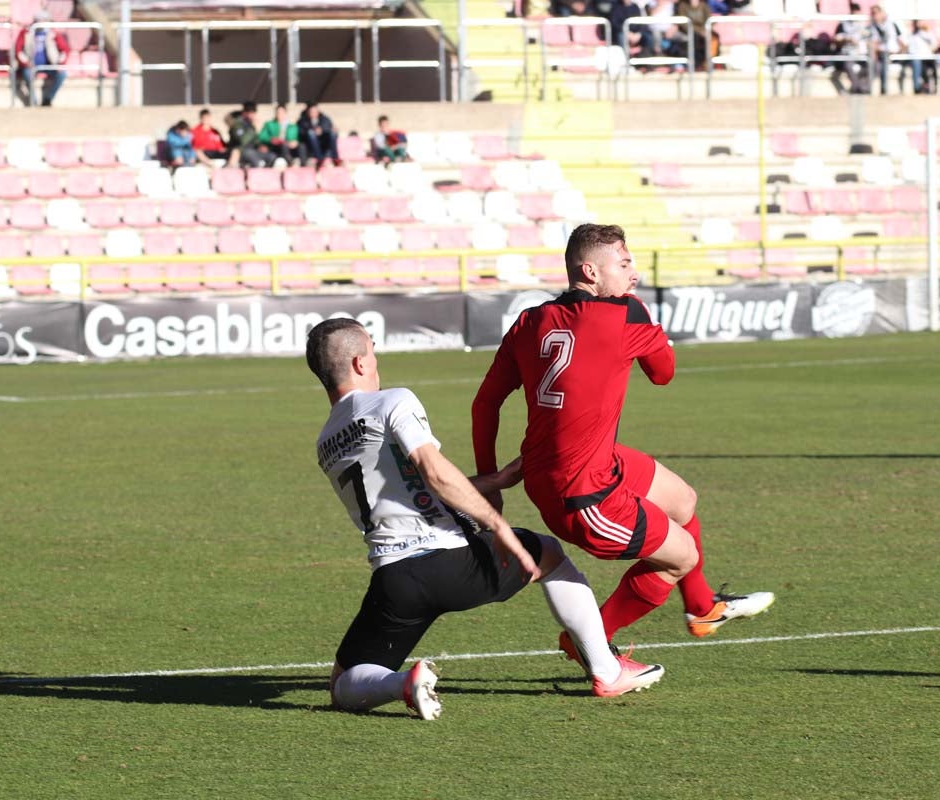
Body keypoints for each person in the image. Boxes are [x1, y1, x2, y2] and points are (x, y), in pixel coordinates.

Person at [306, 318, 665, 719]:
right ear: (359, 363)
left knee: (343, 682)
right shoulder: (393, 400)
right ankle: (607, 670)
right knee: (547, 552)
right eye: (373, 349)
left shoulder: (326, 441)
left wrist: (493, 480)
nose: (377, 358)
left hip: (396, 580)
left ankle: (403, 683)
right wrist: (496, 524)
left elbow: (409, 492)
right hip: (451, 564)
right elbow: (434, 472)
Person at [471, 224, 774, 655]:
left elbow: (484, 404)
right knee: (681, 556)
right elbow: (663, 373)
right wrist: (646, 323)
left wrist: (491, 483)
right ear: (591, 271)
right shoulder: (624, 313)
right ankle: (589, 644)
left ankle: (703, 607)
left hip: (572, 465)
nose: (634, 275)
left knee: (683, 499)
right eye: (625, 264)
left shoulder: (530, 320)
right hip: (581, 494)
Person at [13, 10, 70, 107]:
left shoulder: (53, 33)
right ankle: (33, 101)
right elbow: (18, 50)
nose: (40, 22)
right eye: (38, 20)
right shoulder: (26, 33)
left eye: (43, 20)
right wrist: (26, 63)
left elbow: (65, 50)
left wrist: (60, 64)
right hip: (30, 65)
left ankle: (47, 99)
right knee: (27, 74)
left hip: (50, 65)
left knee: (62, 74)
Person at [830, 2, 868, 95]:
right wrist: (848, 39)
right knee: (848, 65)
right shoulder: (843, 25)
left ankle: (863, 88)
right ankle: (856, 89)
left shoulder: (864, 25)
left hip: (861, 54)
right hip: (846, 53)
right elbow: (836, 40)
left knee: (872, 66)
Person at [226, 101, 276, 168]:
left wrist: (260, 146)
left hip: (253, 150)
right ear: (245, 113)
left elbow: (255, 140)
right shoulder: (237, 124)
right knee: (253, 157)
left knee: (271, 156)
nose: (253, 115)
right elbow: (242, 141)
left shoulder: (251, 124)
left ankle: (266, 174)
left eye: (254, 113)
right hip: (241, 151)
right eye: (251, 113)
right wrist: (253, 129)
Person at [868, 5, 903, 96]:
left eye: (876, 13)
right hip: (881, 53)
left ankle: (883, 88)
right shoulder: (872, 27)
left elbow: (901, 41)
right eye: (873, 14)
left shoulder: (892, 24)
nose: (874, 16)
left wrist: (902, 52)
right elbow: (872, 43)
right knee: (879, 61)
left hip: (894, 52)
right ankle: (882, 88)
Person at [297, 103, 341, 168]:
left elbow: (329, 127)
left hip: (324, 144)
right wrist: (312, 131)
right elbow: (301, 132)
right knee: (311, 133)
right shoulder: (303, 120)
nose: (313, 113)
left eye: (315, 111)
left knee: (333, 133)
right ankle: (319, 159)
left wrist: (322, 130)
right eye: (311, 112)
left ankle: (335, 158)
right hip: (310, 146)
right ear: (308, 112)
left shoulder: (325, 119)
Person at [906, 20, 937, 94]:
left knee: (931, 72)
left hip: (928, 57)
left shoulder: (928, 34)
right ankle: (920, 87)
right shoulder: (913, 35)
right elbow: (911, 48)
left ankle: (932, 87)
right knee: (923, 71)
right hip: (919, 57)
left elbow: (934, 44)